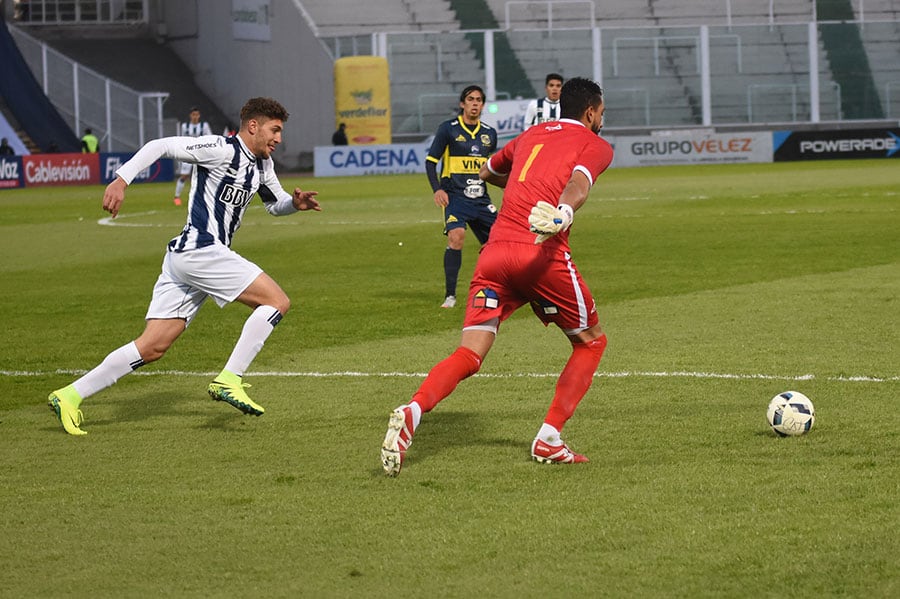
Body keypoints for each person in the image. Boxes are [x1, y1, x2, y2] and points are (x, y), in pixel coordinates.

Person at [47, 97, 321, 436]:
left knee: (153, 346)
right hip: (200, 248)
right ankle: (229, 379)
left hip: (188, 260)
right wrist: (121, 180)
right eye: (274, 130)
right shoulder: (220, 149)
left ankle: (69, 395)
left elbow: (274, 204)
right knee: (276, 301)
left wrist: (294, 204)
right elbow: (160, 145)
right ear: (254, 126)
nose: (278, 138)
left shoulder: (263, 165)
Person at [381, 78, 614, 476]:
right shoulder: (595, 144)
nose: (602, 119)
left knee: (470, 354)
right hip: (541, 254)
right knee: (591, 343)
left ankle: (414, 410)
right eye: (601, 113)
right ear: (591, 112)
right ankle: (550, 438)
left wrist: (528, 180)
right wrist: (563, 210)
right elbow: (578, 184)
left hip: (493, 255)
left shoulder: (531, 135)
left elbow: (489, 172)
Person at [425, 84, 498, 309]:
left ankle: (497, 290)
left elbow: (493, 168)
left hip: (481, 200)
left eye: (478, 100)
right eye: (470, 99)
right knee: (456, 237)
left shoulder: (489, 134)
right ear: (462, 104)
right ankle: (450, 296)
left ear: (483, 105)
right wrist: (438, 188)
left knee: (498, 244)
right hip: (455, 197)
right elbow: (431, 162)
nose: (475, 103)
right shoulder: (448, 129)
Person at [173, 106, 213, 206]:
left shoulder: (204, 125)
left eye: (197, 115)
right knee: (184, 176)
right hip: (188, 154)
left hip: (202, 154)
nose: (195, 117)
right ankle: (177, 197)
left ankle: (204, 198)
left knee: (204, 175)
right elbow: (182, 139)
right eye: (193, 115)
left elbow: (210, 137)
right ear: (190, 115)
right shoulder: (184, 126)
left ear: (199, 116)